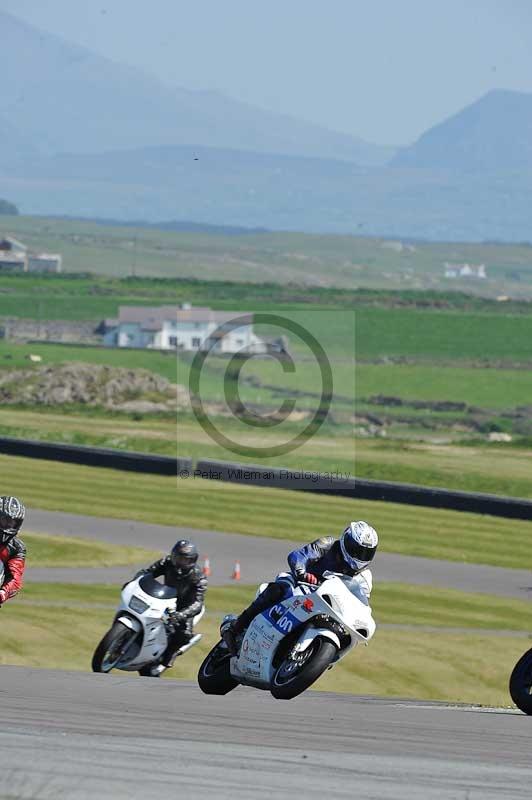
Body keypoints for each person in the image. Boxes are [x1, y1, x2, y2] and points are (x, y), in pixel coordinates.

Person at [222, 521, 378, 654]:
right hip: (302, 586)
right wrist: (302, 573)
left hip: (330, 606)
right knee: (280, 590)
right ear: (346, 541)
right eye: (357, 550)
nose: (360, 556)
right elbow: (299, 555)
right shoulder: (328, 544)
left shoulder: (364, 578)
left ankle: (318, 655)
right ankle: (236, 628)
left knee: (344, 634)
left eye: (366, 553)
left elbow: (361, 603)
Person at [136, 539, 207, 676]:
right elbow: (148, 572)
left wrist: (181, 615)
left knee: (184, 634)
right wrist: (136, 581)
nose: (180, 562)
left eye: (185, 560)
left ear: (192, 561)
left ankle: (168, 657)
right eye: (178, 558)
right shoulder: (167, 562)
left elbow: (197, 603)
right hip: (163, 598)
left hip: (184, 607)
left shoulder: (198, 577)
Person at [0, 496, 26, 606]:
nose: (8, 526)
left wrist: (3, 593)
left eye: (12, 523)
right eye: (5, 520)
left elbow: (15, 579)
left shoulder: (17, 548)